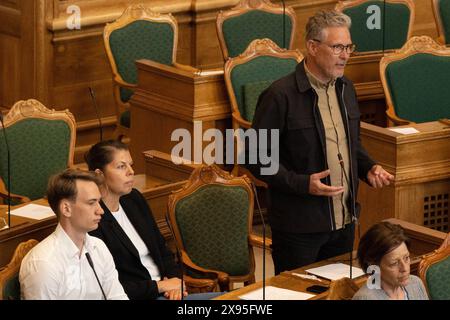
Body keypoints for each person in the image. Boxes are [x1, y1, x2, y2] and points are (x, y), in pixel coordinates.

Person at [247, 9, 394, 274]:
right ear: (313, 47)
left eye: (349, 47)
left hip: (344, 220)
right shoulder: (280, 96)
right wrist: (303, 184)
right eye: (337, 47)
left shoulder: (346, 88)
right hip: (298, 227)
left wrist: (368, 167)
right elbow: (255, 159)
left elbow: (351, 144)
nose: (346, 55)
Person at [85, 140, 221, 300]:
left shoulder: (133, 199)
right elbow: (107, 286)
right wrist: (160, 286)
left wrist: (175, 282)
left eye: (130, 165)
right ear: (99, 174)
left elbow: (162, 249)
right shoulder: (93, 220)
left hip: (168, 292)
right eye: (121, 166)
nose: (131, 171)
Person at [19, 169, 128, 300]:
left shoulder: (98, 247)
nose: (100, 210)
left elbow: (117, 296)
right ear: (66, 209)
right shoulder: (44, 264)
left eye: (99, 202)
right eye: (91, 203)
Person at [353, 221, 428, 300]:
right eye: (394, 263)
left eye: (406, 258)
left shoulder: (415, 284)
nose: (405, 269)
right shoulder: (365, 298)